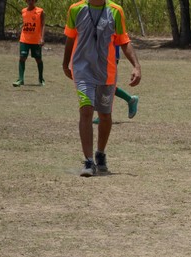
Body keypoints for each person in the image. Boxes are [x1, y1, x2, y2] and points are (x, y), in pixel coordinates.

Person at [62, 0, 142, 177]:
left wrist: (136, 66)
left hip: (106, 72)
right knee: (86, 110)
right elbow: (70, 37)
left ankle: (100, 153)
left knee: (105, 115)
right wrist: (65, 63)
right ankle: (89, 160)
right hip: (82, 70)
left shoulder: (115, 11)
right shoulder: (76, 9)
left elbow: (124, 41)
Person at [93, 46, 139, 124]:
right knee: (100, 84)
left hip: (109, 55)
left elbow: (123, 40)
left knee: (105, 85)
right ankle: (130, 99)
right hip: (97, 55)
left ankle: (103, 114)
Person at [13, 0, 45, 87]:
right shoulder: (23, 11)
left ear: (35, 1)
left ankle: (41, 79)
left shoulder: (40, 11)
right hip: (24, 39)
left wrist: (42, 38)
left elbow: (42, 25)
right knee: (22, 58)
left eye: (32, 0)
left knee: (38, 59)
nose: (30, 1)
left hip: (36, 40)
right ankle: (20, 79)